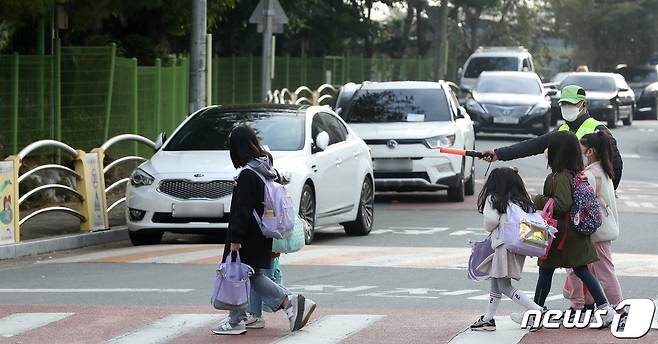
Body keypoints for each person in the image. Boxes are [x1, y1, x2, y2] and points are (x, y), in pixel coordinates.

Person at [212, 126, 316, 335]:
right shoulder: (264, 169)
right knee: (251, 275)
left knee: (239, 274)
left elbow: (242, 211)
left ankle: (281, 305)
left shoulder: (247, 175)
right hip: (261, 234)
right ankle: (283, 305)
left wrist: (235, 239)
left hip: (247, 236)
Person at [523, 131, 616, 327]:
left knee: (546, 271)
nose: (547, 151)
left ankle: (536, 314)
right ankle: (605, 309)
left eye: (550, 148)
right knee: (581, 271)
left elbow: (561, 204)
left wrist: (538, 199)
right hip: (573, 235)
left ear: (558, 152)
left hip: (560, 235)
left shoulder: (559, 176)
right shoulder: (574, 173)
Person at [482, 85, 623, 190]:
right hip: (565, 194)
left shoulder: (597, 129)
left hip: (590, 198)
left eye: (571, 104)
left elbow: (616, 165)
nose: (567, 107)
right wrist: (498, 154)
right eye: (564, 104)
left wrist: (605, 192)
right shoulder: (562, 129)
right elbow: (533, 145)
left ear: (584, 105)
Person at [470, 167, 544, 331]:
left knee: (504, 286)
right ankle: (488, 319)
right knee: (496, 283)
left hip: (503, 247)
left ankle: (537, 310)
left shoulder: (494, 199)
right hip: (516, 245)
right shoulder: (521, 200)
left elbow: (490, 223)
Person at [564, 131, 623, 312]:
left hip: (594, 231)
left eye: (581, 146)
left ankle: (619, 308)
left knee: (602, 271)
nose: (578, 150)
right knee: (590, 269)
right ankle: (586, 303)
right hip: (602, 229)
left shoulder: (591, 175)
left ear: (590, 151)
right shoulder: (604, 170)